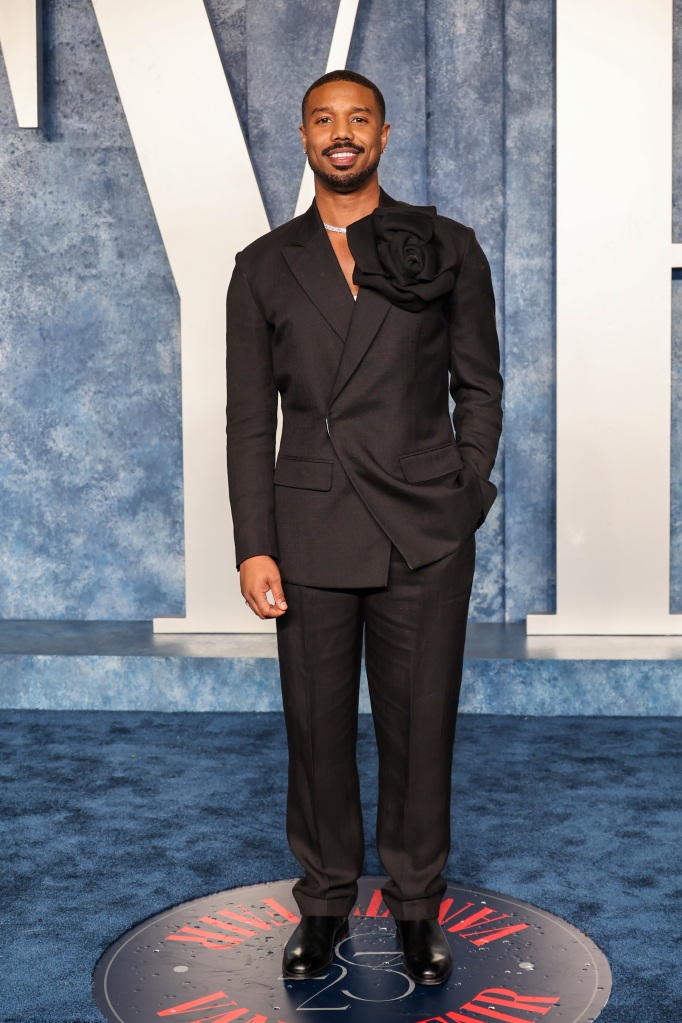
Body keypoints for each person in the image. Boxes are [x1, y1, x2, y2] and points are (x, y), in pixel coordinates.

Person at [225, 69, 503, 987]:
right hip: (305, 531)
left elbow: (480, 387)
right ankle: (325, 902)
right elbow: (246, 419)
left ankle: (418, 907)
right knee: (315, 729)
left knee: (420, 727)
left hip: (424, 529)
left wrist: (462, 493)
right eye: (321, 120)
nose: (339, 134)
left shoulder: (449, 247)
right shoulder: (263, 265)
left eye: (357, 119)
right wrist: (253, 542)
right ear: (302, 136)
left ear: (383, 135)